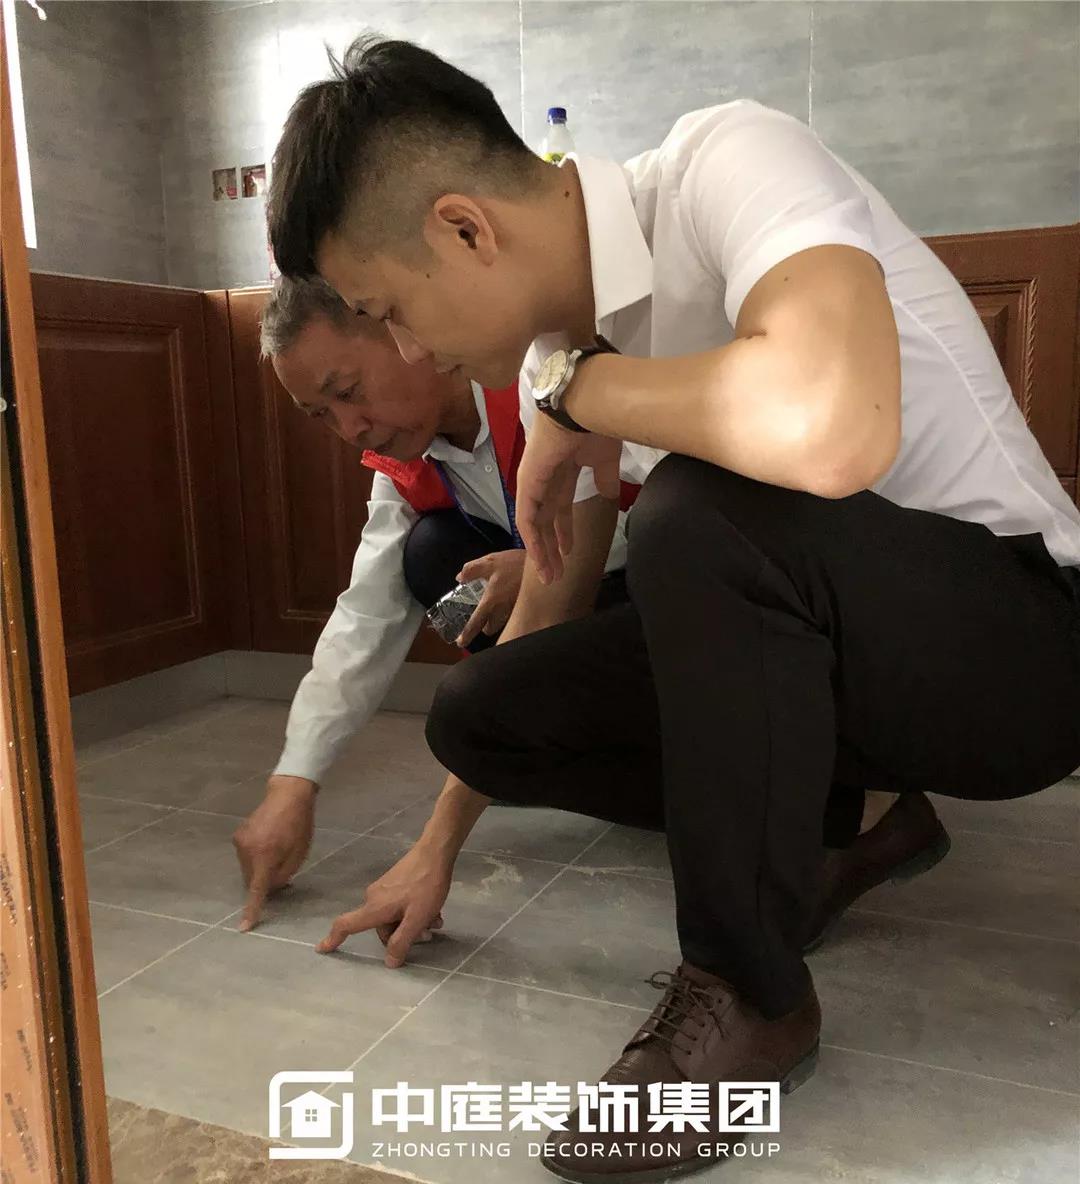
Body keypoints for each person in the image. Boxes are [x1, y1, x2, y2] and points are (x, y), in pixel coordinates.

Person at [266, 38, 1080, 1181]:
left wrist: (579, 390)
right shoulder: (557, 353)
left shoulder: (723, 163)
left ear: (464, 229)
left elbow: (832, 425)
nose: (409, 347)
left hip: (1022, 656)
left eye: (388, 310)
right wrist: (435, 845)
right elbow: (557, 597)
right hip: (847, 670)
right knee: (484, 710)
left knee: (695, 515)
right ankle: (834, 838)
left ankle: (749, 988)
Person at [233, 275, 634, 934]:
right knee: (428, 553)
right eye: (321, 415)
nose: (349, 429)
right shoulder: (405, 462)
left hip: (650, 595)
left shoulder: (538, 375)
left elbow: (660, 500)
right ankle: (534, 754)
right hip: (567, 611)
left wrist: (538, 564)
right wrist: (293, 782)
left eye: (347, 392)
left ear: (405, 331)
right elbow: (365, 614)